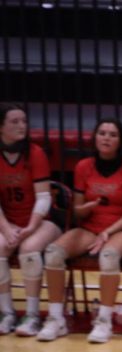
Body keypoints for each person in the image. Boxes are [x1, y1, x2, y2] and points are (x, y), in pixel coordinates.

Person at [37, 118, 122, 343]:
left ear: (120, 141)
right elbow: (77, 212)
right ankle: (56, 319)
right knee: (53, 253)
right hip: (89, 227)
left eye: (113, 134)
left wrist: (107, 232)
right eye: (102, 133)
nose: (107, 138)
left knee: (109, 255)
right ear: (95, 138)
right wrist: (83, 209)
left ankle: (104, 321)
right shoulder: (83, 167)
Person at [0, 103, 61, 336]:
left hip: (41, 221)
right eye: (14, 121)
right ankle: (7, 312)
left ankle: (33, 314)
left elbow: (44, 198)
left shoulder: (35, 153)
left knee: (30, 248)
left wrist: (29, 227)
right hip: (8, 222)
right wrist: (6, 229)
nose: (21, 126)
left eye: (24, 121)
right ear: (1, 127)